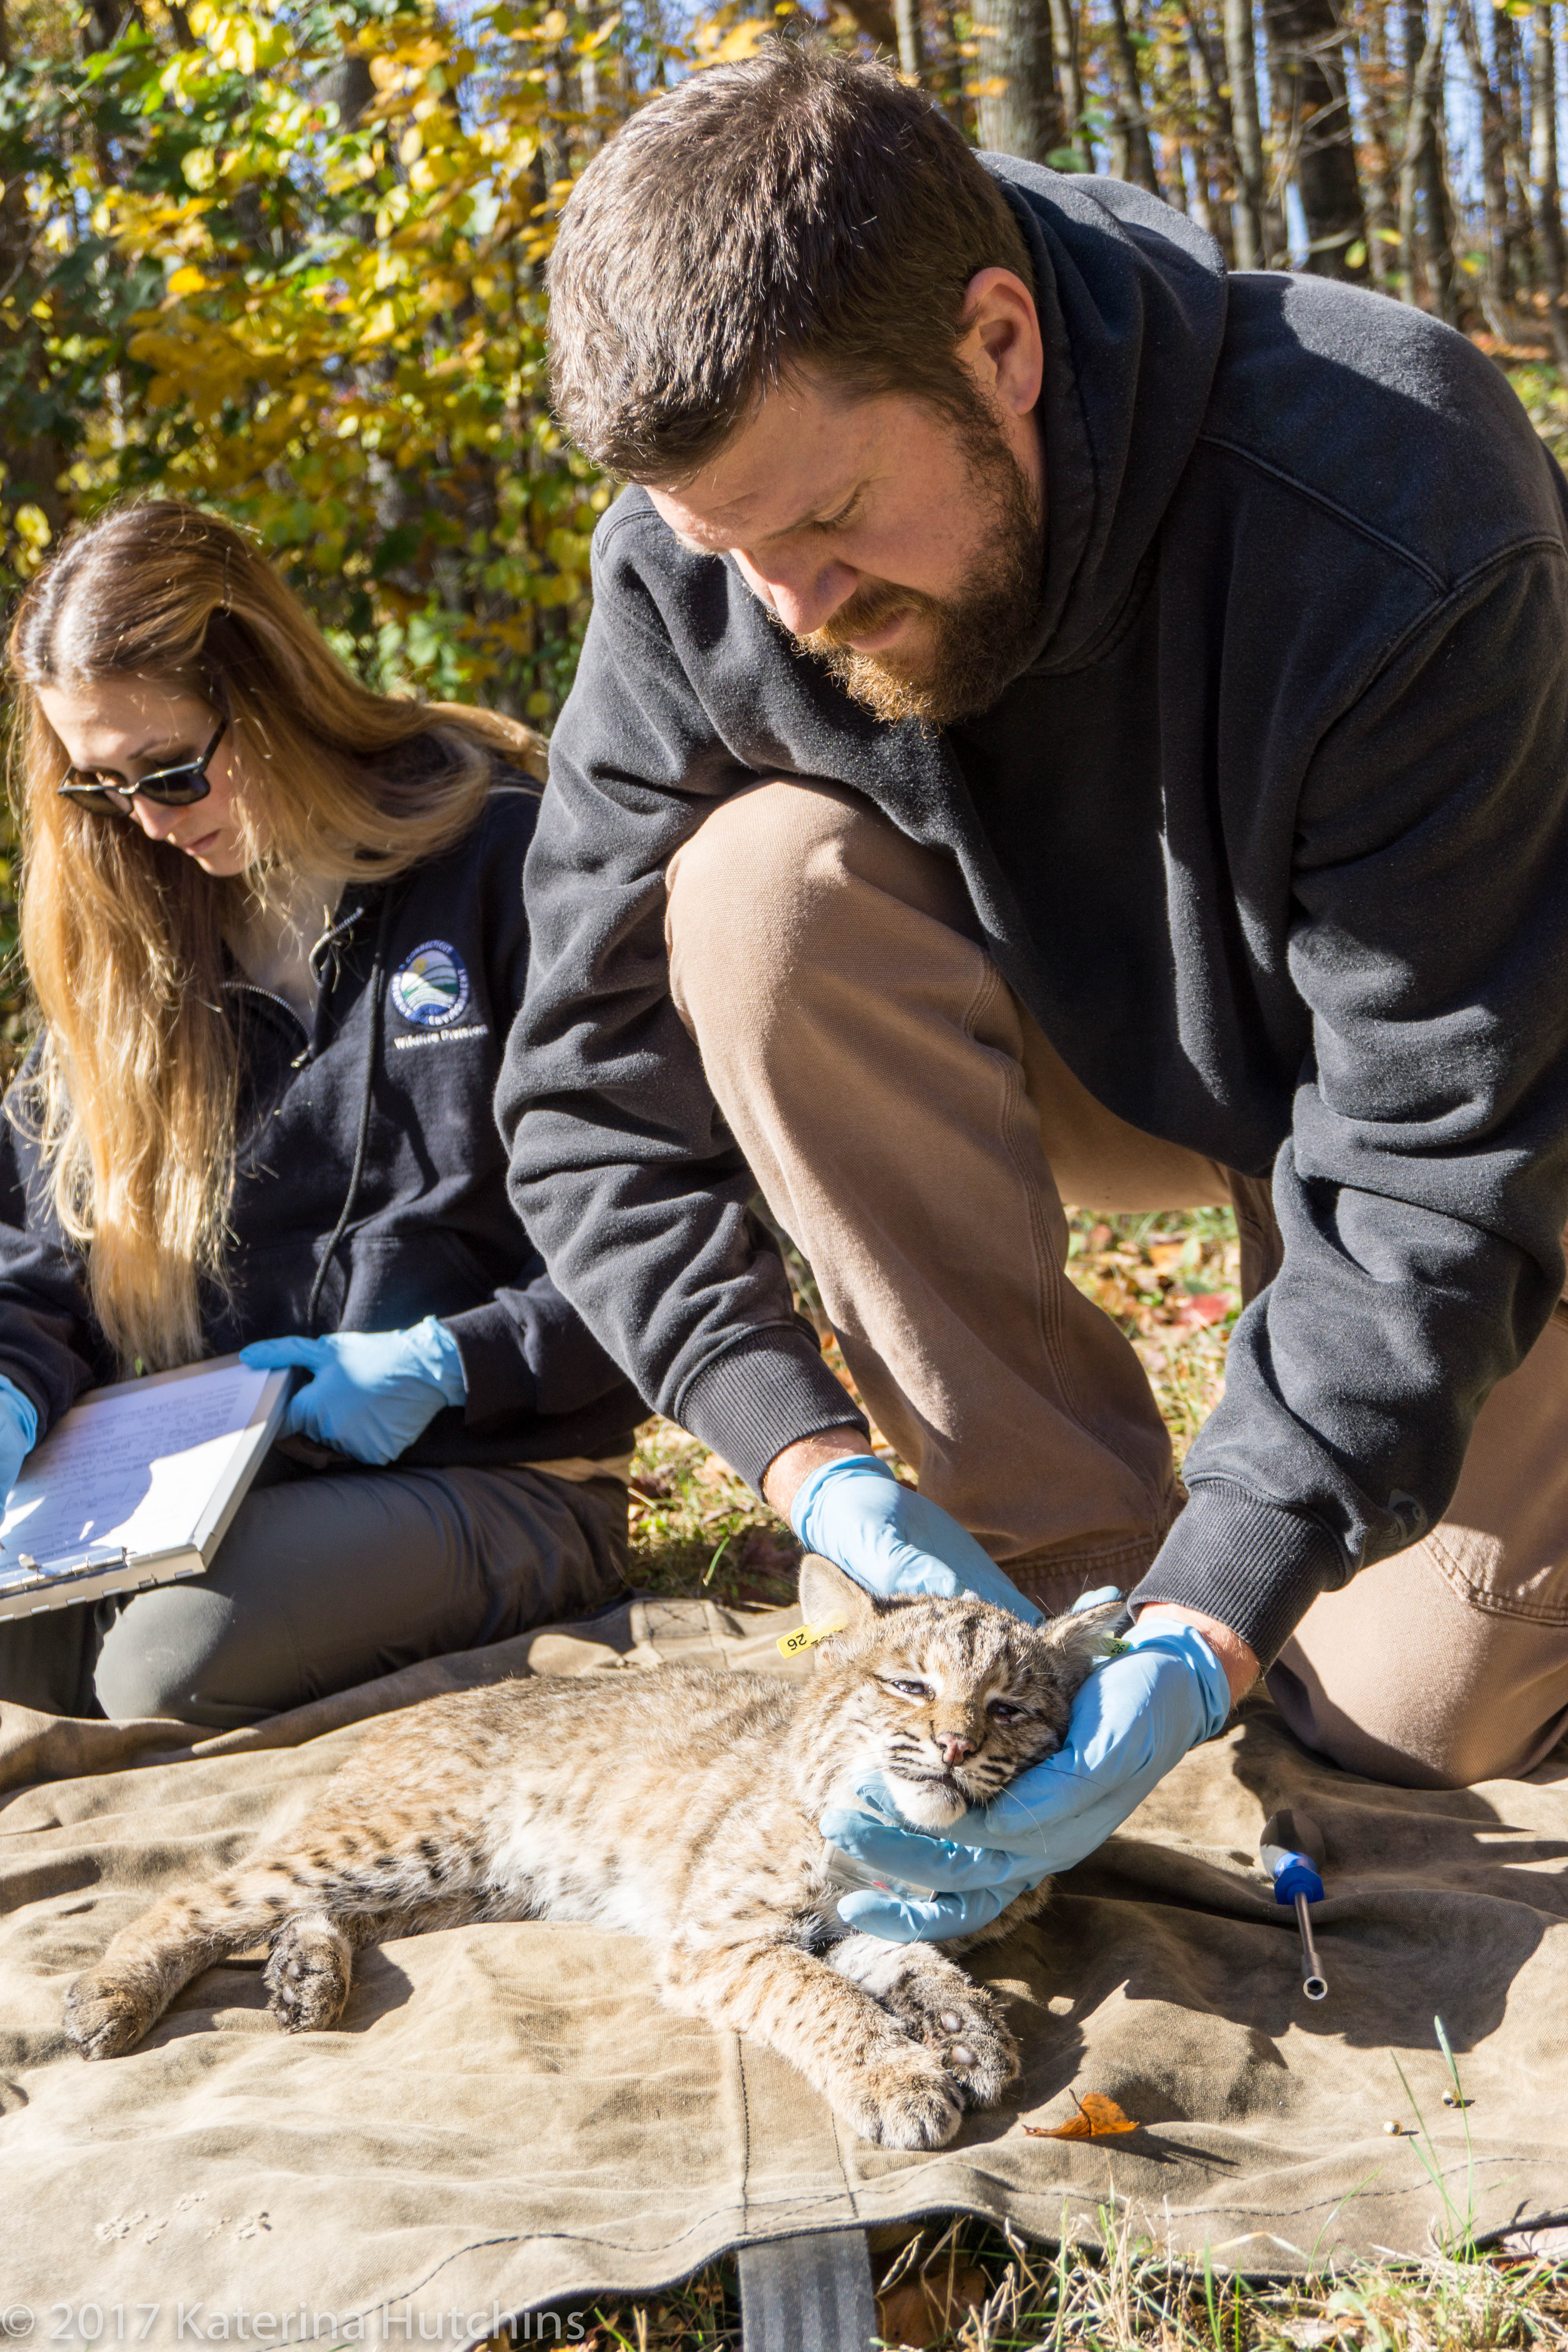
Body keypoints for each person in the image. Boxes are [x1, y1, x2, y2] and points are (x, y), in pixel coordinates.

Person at [500, 45, 1568, 1940]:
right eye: (732, 553)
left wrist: (1221, 1609)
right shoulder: (717, 570)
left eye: (828, 526)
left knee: (1402, 1716)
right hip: (1103, 1054)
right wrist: (808, 1464)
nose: (795, 611)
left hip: (1480, 1100)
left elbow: (1436, 1148)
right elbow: (584, 1092)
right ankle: (1044, 1535)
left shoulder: (1391, 503)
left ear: (1000, 345)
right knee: (754, 892)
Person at [0, 499, 642, 1729]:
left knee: (160, 1673)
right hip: (215, 1484)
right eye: (101, 788)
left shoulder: (498, 862)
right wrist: (11, 1385)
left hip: (502, 1467)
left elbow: (652, 1222)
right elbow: (40, 1259)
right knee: (22, 1671)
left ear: (278, 690)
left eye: (174, 770)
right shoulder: (127, 949)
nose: (149, 822)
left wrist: (451, 1363)